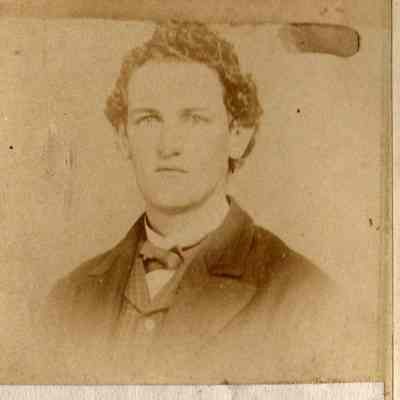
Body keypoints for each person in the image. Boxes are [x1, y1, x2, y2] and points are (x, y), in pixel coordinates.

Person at [42, 20, 349, 384]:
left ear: (237, 135)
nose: (168, 145)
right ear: (123, 138)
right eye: (149, 119)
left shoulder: (303, 297)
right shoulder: (68, 299)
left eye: (194, 119)